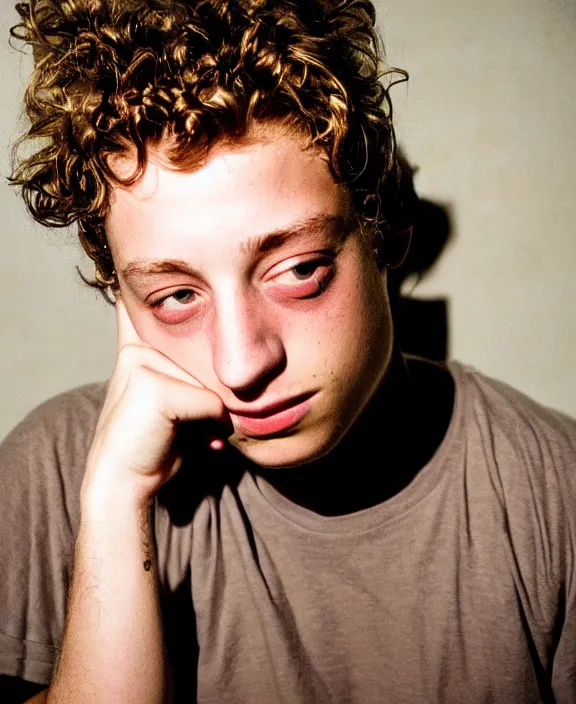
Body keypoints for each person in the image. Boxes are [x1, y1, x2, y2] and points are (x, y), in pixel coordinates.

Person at [1, 0, 575, 702]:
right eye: (175, 295)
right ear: (120, 297)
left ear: (384, 230)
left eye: (299, 270)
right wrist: (117, 505)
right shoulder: (57, 474)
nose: (244, 365)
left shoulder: (554, 494)